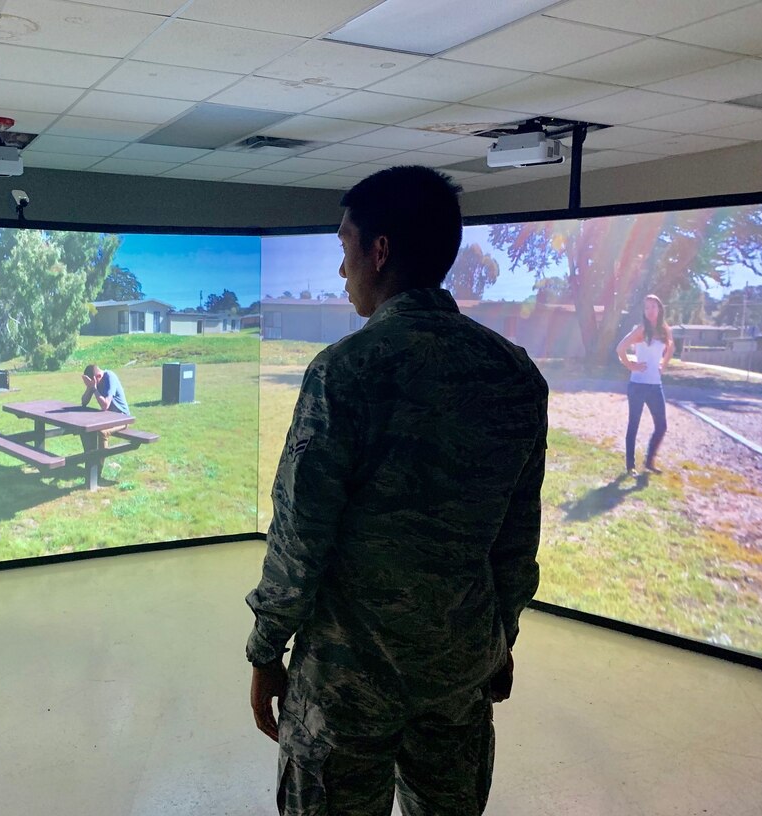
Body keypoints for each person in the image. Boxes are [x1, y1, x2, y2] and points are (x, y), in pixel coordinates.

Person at [245, 165, 549, 816]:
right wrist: (500, 638)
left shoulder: (344, 373)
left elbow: (301, 536)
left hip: (346, 680)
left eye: (344, 246)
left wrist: (267, 648)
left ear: (378, 251)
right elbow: (516, 541)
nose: (341, 269)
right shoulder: (515, 375)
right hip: (458, 668)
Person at [615, 294, 673, 476]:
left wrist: (663, 365)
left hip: (655, 386)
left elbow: (670, 348)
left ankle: (649, 462)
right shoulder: (641, 329)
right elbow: (620, 348)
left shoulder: (665, 330)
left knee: (661, 426)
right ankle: (630, 466)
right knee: (634, 425)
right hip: (638, 385)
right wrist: (630, 365)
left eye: (653, 306)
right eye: (647, 307)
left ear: (660, 308)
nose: (650, 311)